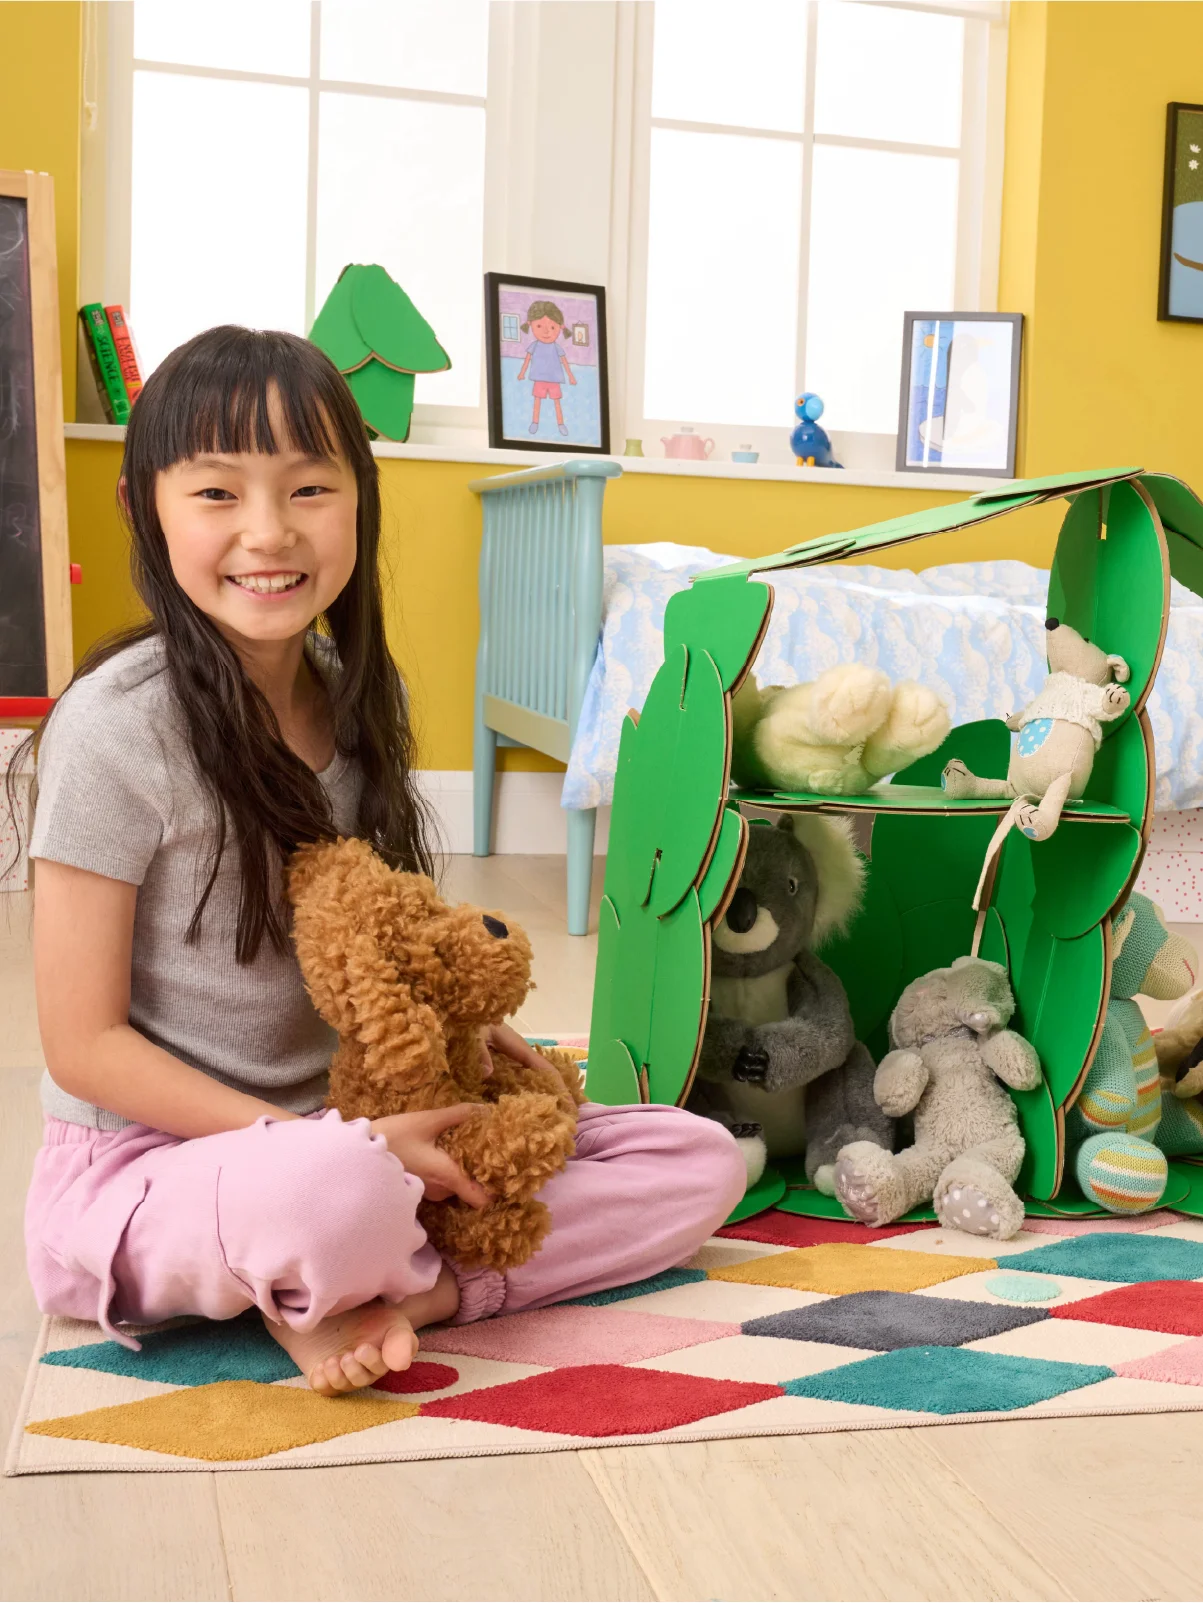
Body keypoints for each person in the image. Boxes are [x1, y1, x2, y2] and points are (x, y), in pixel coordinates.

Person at [13, 327, 744, 1395]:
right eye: (216, 493)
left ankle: (401, 1295)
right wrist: (341, 1151)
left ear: (361, 499)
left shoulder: (359, 695)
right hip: (158, 1158)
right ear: (143, 508)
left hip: (350, 1121)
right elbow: (84, 1047)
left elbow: (377, 936)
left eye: (309, 488)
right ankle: (333, 1261)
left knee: (696, 1157)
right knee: (327, 1193)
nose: (269, 531)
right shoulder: (114, 727)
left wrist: (466, 1039)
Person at [515, 300, 577, 436]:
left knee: (557, 402)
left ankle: (560, 424)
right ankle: (535, 422)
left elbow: (564, 362)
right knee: (537, 401)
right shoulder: (534, 345)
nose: (546, 331)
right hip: (539, 378)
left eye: (552, 327)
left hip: (554, 379)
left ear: (560, 328)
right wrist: (522, 373)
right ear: (530, 325)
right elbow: (527, 360)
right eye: (539, 326)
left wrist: (571, 376)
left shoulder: (556, 347)